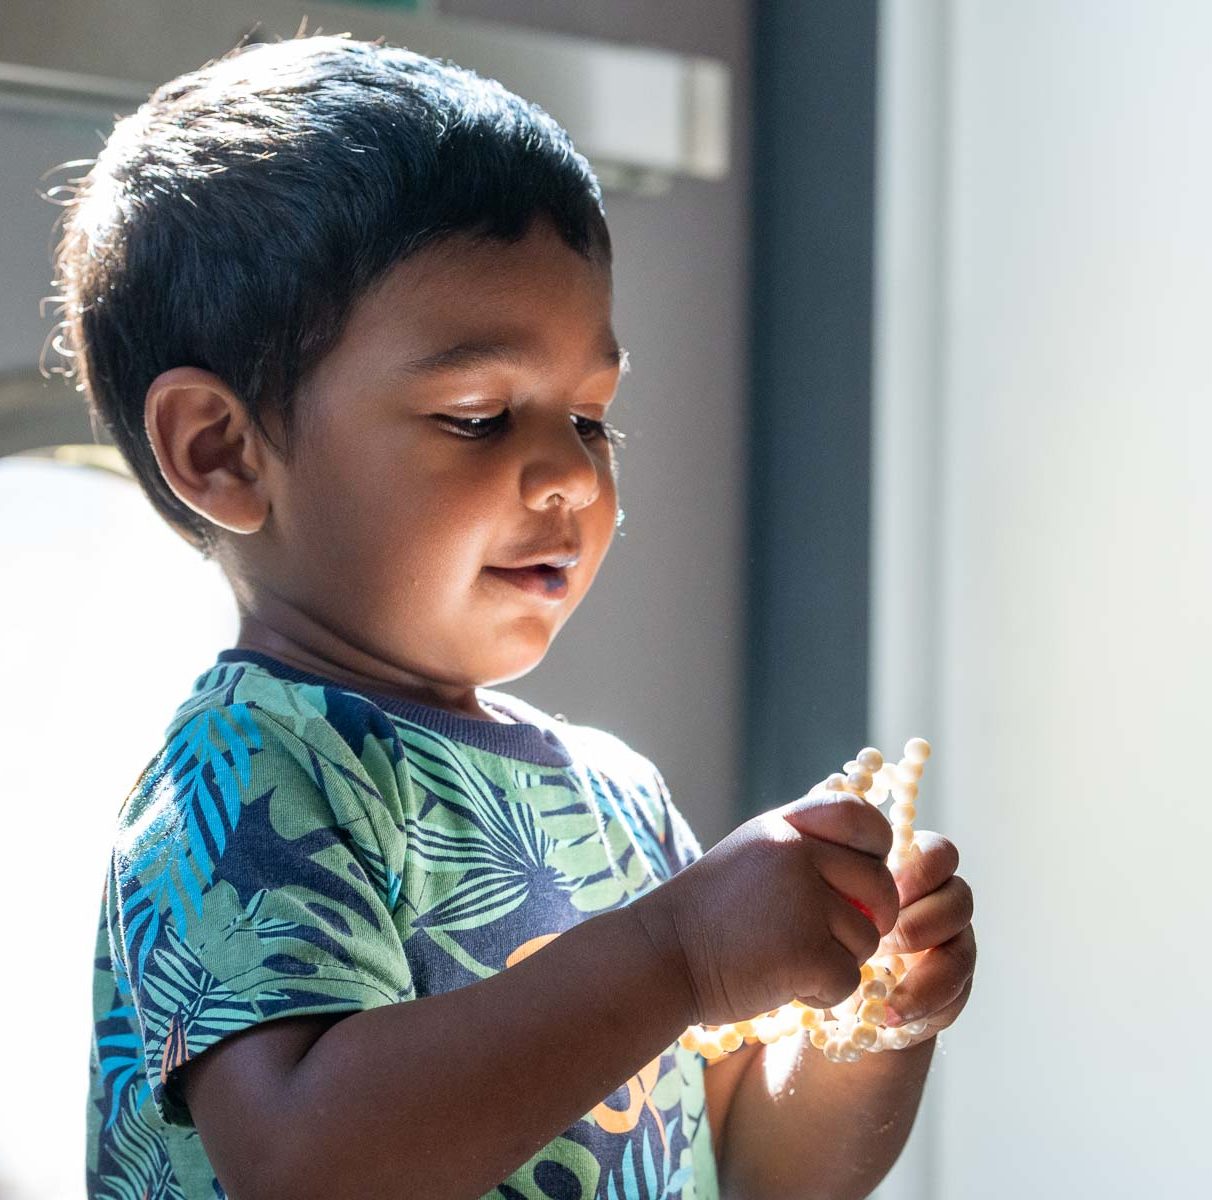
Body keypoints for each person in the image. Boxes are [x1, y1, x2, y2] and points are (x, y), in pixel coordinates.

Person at [62, 35, 975, 1200]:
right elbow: (304, 1163)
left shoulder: (616, 799)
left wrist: (871, 1024)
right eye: (479, 417)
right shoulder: (241, 777)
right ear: (222, 452)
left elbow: (747, 1170)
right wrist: (679, 953)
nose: (574, 477)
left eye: (590, 419)